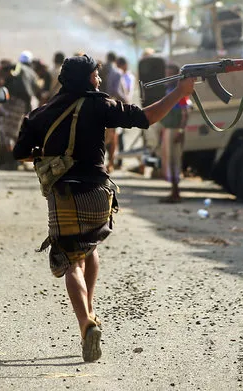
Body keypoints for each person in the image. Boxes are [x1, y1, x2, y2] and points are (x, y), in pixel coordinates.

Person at [12, 54, 195, 362]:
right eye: (96, 76)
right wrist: (179, 93)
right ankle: (92, 312)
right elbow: (145, 117)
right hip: (98, 193)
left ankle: (85, 322)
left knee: (71, 260)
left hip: (64, 194)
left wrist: (50, 158)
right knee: (90, 248)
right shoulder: (99, 105)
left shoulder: (41, 114)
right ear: (87, 79)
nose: (99, 80)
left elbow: (20, 154)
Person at [159, 63, 191, 203]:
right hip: (168, 129)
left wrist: (180, 131)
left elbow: (185, 113)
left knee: (174, 161)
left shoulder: (179, 92)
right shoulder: (170, 90)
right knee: (169, 160)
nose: (168, 77)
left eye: (170, 74)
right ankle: (173, 191)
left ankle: (175, 193)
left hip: (174, 130)